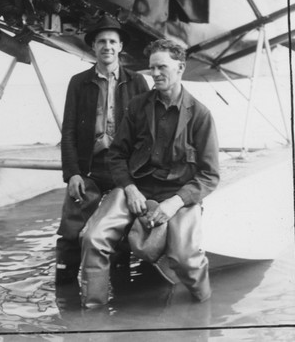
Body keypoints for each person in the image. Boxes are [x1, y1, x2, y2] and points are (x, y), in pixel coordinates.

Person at [80, 39, 220, 307]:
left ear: (180, 68)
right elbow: (117, 154)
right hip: (136, 191)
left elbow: (210, 175)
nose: (155, 74)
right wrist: (129, 188)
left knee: (183, 257)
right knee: (93, 237)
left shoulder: (201, 115)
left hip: (178, 197)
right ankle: (92, 317)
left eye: (162, 67)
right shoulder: (137, 106)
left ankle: (204, 309)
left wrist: (175, 202)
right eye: (152, 68)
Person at [56, 14, 149, 285]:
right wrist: (72, 173)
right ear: (93, 47)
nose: (107, 46)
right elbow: (69, 130)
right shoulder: (78, 82)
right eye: (101, 42)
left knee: (118, 231)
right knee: (71, 232)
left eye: (112, 41)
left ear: (120, 46)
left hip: (124, 170)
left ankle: (119, 291)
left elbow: (144, 134)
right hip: (89, 168)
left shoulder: (137, 83)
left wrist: (136, 178)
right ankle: (65, 292)